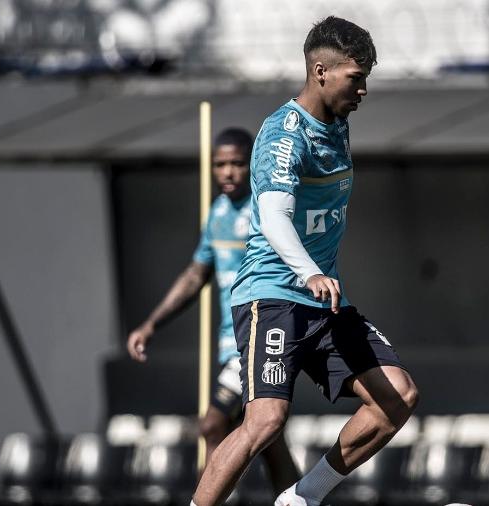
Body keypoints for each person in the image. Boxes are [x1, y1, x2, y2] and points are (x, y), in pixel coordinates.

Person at [190, 16, 419, 506]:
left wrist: (319, 278)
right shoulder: (282, 134)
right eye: (356, 78)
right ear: (320, 72)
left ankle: (301, 498)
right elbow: (273, 216)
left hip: (323, 301)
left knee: (396, 397)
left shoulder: (337, 125)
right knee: (266, 421)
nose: (363, 91)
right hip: (273, 296)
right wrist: (309, 271)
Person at [125, 128, 300, 496]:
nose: (228, 172)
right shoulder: (217, 213)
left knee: (212, 425)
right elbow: (196, 274)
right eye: (220, 164)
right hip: (229, 343)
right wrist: (151, 324)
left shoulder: (264, 209)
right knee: (268, 440)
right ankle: (300, 501)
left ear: (251, 163)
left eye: (237, 163)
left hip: (258, 337)